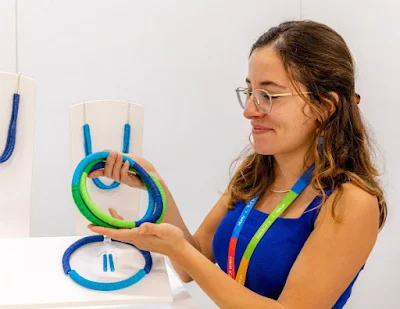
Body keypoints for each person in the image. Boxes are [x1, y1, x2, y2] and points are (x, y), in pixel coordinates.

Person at [88, 20, 387, 309]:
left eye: (268, 95)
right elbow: (194, 262)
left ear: (324, 106)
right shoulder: (256, 175)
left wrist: (177, 249)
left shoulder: (351, 202)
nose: (249, 111)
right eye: (249, 93)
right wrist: (154, 184)